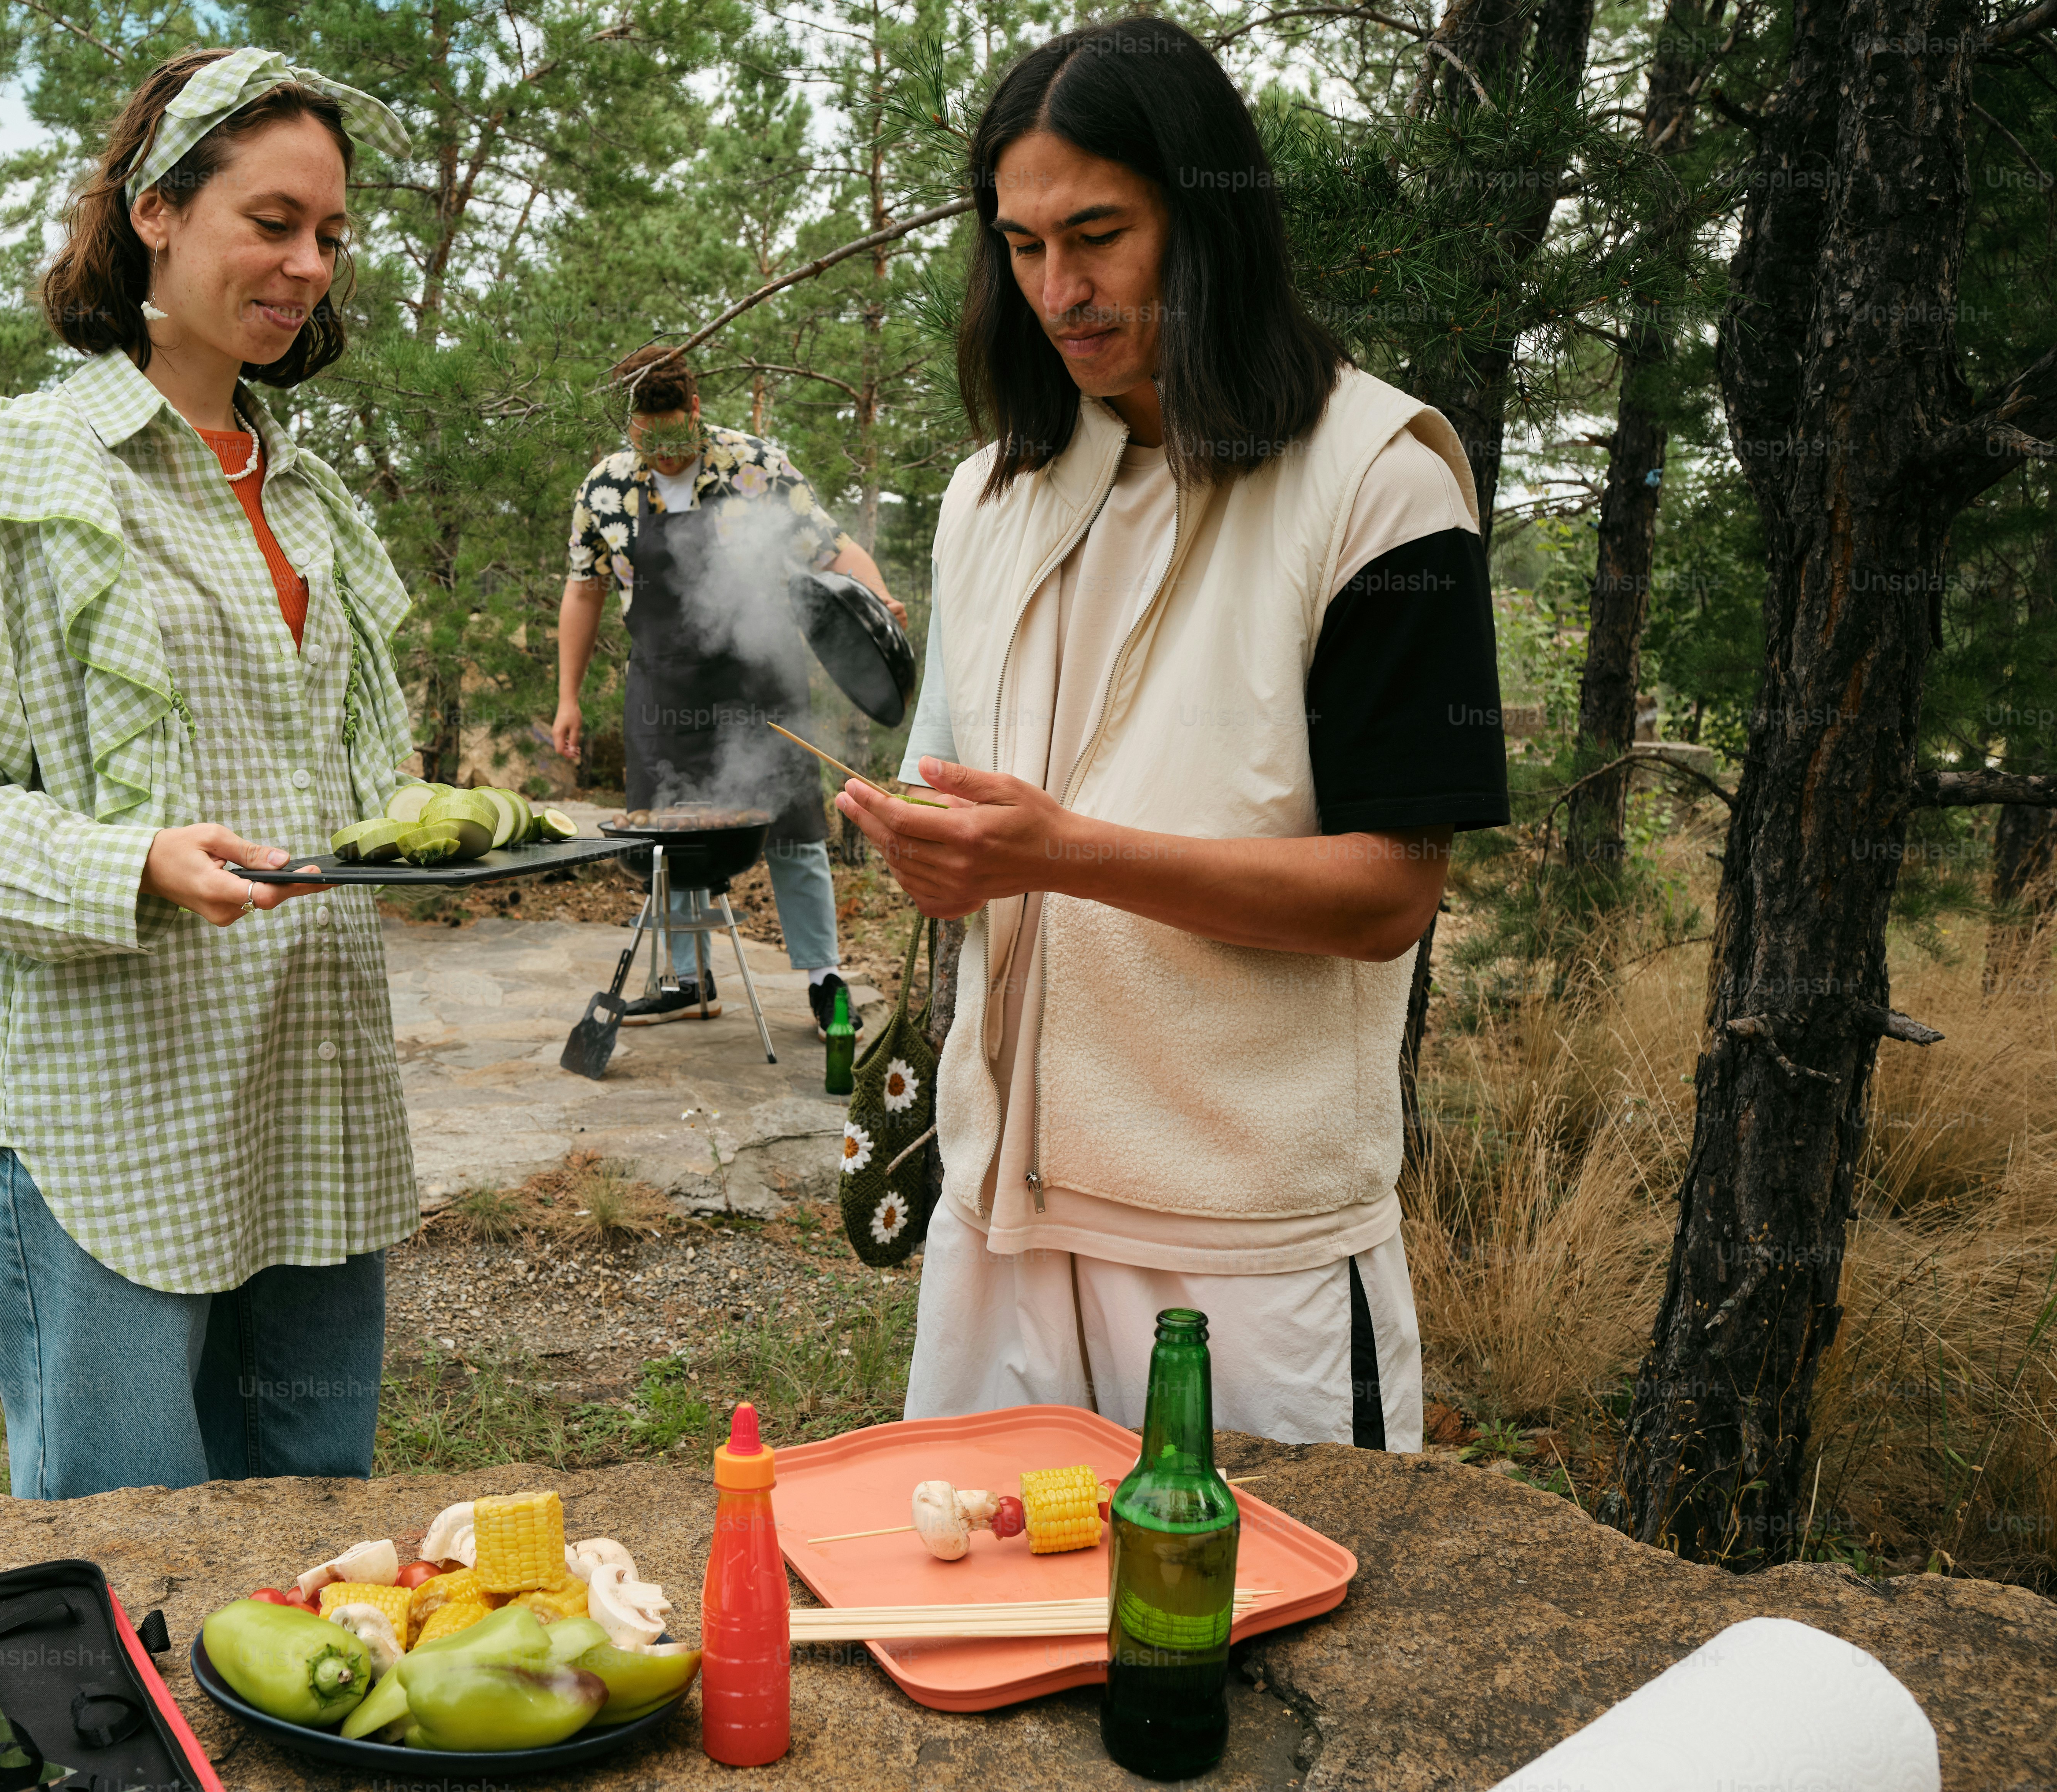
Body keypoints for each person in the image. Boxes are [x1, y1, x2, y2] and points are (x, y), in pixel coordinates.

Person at [834, 16, 1510, 1453]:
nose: (1059, 291)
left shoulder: (1381, 485)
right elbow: (962, 802)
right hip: (1000, 1220)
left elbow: (1390, 890)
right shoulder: (990, 497)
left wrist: (1062, 852)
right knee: (993, 1658)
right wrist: (932, 854)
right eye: (1021, 247)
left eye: (1099, 236)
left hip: (1246, 1255)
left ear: (1206, 221)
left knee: (1268, 1664)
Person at [0, 48, 423, 1500]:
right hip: (120, 1128)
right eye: (273, 221)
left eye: (332, 238)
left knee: (314, 1550)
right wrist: (134, 860)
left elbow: (342, 781)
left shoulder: (307, 489)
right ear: (159, 209)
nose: (308, 267)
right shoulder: (20, 468)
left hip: (311, 1111)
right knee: (124, 1575)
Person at [550, 347, 906, 1035]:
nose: (668, 457)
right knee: (668, 841)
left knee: (795, 830)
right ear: (632, 427)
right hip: (665, 685)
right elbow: (584, 589)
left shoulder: (757, 466)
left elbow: (831, 548)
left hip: (762, 677)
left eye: (678, 441)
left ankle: (824, 978)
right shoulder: (605, 489)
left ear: (698, 412)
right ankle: (689, 980)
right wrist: (568, 697)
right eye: (651, 445)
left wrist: (879, 599)